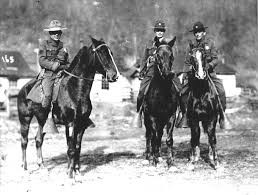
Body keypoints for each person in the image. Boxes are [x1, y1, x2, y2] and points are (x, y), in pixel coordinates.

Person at [137, 20, 187, 124]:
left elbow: (172, 57)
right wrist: (141, 71)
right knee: (142, 91)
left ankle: (183, 114)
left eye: (161, 30)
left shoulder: (168, 44)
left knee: (180, 89)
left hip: (167, 71)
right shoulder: (149, 44)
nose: (159, 32)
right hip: (152, 71)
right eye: (158, 30)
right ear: (155, 31)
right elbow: (144, 58)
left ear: (164, 32)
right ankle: (139, 114)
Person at [181, 21, 226, 128]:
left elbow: (215, 59)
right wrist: (186, 73)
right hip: (194, 75)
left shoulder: (210, 43)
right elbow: (187, 62)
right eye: (196, 32)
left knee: (221, 90)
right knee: (183, 92)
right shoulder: (191, 46)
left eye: (199, 32)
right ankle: (185, 116)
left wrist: (209, 66)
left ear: (204, 33)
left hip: (209, 73)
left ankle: (222, 115)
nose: (197, 34)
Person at [39, 20, 70, 109]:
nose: (56, 34)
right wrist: (54, 66)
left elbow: (67, 61)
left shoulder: (63, 46)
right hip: (49, 74)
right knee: (48, 96)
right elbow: (41, 61)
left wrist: (66, 66)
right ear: (50, 33)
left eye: (58, 32)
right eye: (54, 32)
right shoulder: (43, 44)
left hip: (63, 73)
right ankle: (47, 115)